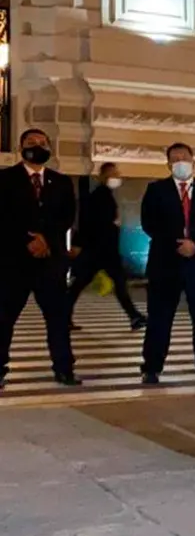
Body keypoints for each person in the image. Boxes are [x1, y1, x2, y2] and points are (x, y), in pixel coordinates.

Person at [0, 129, 79, 388]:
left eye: (42, 143)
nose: (37, 146)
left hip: (50, 263)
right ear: (20, 147)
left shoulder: (62, 182)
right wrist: (28, 240)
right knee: (4, 318)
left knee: (57, 319)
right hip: (14, 262)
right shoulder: (5, 179)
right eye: (31, 143)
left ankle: (64, 369)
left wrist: (45, 238)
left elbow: (67, 216)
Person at [139, 143, 195, 384]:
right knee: (159, 318)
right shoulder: (156, 190)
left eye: (184, 157)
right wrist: (178, 243)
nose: (180, 162)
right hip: (165, 264)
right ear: (168, 165)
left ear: (193, 161)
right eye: (174, 159)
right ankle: (152, 366)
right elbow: (149, 223)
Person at [68, 162, 147, 332]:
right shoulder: (99, 195)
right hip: (100, 249)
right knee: (112, 283)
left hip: (100, 250)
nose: (117, 177)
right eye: (113, 174)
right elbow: (88, 221)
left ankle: (134, 316)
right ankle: (134, 316)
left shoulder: (105, 194)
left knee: (83, 284)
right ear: (104, 176)